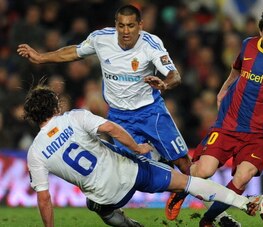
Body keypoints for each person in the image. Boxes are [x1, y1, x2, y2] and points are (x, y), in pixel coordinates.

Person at [24, 85, 262, 227]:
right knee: (188, 182)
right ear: (55, 107)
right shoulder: (73, 117)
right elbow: (110, 128)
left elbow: (44, 199)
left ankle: (130, 225)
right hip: (132, 172)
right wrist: (136, 148)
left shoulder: (35, 153)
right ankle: (243, 203)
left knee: (95, 205)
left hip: (107, 196)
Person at [166, 5, 263, 227]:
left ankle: (209, 220)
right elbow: (237, 69)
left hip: (259, 133)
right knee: (203, 170)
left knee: (243, 175)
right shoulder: (248, 45)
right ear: (261, 32)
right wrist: (224, 87)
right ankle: (181, 189)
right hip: (229, 124)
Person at [17, 4, 192, 174]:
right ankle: (160, 163)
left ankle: (206, 197)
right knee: (132, 173)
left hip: (150, 112)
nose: (125, 31)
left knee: (183, 162)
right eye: (121, 25)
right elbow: (74, 52)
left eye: (131, 26)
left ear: (140, 25)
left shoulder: (151, 44)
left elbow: (174, 75)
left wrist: (165, 84)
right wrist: (41, 57)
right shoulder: (100, 39)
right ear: (115, 25)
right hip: (120, 117)